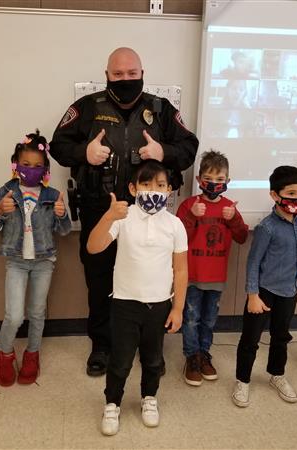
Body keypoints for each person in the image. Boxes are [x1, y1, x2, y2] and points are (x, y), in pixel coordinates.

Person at [49, 47, 198, 377]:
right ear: (107, 75)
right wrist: (84, 153)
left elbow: (189, 147)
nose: (126, 79)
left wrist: (163, 151)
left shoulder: (161, 110)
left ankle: (149, 348)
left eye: (132, 74)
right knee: (100, 278)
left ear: (142, 74)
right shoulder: (86, 108)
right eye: (118, 74)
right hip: (99, 209)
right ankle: (102, 346)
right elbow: (57, 146)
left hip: (150, 215)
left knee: (151, 279)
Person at [86, 160, 187, 436]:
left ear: (169, 191)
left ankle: (149, 398)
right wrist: (108, 217)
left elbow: (180, 269)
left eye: (161, 185)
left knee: (154, 359)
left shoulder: (175, 224)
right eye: (146, 184)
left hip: (159, 304)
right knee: (120, 360)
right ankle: (112, 403)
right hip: (124, 303)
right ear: (132, 188)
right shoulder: (123, 217)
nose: (153, 190)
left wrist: (177, 308)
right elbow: (93, 247)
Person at [0, 130, 72, 387]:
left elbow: (65, 231)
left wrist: (61, 213)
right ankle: (5, 353)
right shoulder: (7, 192)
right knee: (14, 315)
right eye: (25, 164)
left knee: (37, 313)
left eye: (37, 166)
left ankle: (32, 355)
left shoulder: (51, 194)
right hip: (16, 261)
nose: (31, 170)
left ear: (45, 169)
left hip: (44, 262)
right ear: (15, 165)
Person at [232, 166, 297, 408]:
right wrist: (252, 295)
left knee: (281, 336)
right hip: (263, 293)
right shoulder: (267, 227)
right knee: (250, 339)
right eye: (291, 193)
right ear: (275, 195)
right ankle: (242, 380)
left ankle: (277, 374)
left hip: (289, 292)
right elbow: (253, 262)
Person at [176, 150, 248, 386]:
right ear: (199, 180)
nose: (214, 184)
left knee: (208, 320)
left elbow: (241, 237)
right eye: (209, 178)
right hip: (192, 276)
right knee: (191, 320)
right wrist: (192, 217)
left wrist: (234, 219)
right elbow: (178, 239)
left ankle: (204, 354)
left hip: (217, 277)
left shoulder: (229, 208)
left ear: (228, 181)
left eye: (220, 180)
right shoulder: (189, 205)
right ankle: (192, 357)